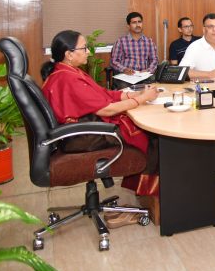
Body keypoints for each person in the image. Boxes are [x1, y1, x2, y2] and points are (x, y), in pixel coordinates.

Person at [41, 30, 159, 197]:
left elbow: (104, 94)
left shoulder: (69, 71)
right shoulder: (67, 79)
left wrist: (134, 94)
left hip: (84, 129)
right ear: (69, 54)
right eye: (84, 48)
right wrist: (142, 99)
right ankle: (149, 192)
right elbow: (106, 109)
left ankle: (142, 188)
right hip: (83, 136)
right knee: (151, 135)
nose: (88, 52)